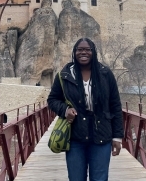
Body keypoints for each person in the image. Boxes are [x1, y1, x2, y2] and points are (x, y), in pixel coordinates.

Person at [47, 38, 124, 181]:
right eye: (79, 49)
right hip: (75, 137)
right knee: (76, 178)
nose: (83, 52)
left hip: (102, 136)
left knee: (100, 179)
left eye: (87, 49)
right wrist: (65, 110)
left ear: (93, 52)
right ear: (74, 52)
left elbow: (115, 106)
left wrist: (117, 137)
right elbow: (52, 100)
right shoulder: (64, 75)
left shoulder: (106, 74)